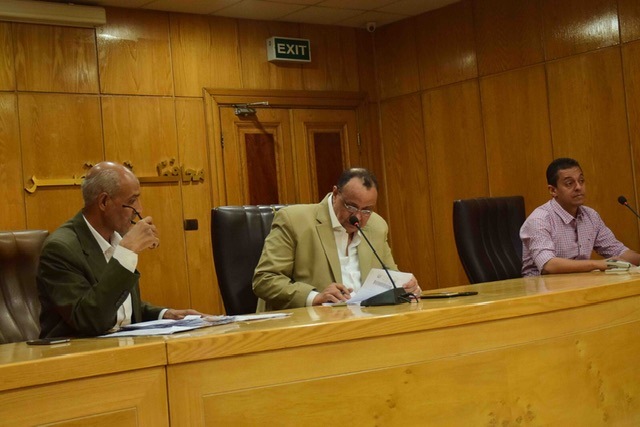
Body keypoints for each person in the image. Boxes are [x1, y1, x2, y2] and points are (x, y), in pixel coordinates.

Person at [37, 161, 201, 338]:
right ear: (104, 202)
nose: (139, 209)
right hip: (77, 351)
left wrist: (165, 314)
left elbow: (119, 308)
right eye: (132, 201)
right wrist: (127, 252)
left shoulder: (116, 238)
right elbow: (89, 319)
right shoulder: (61, 249)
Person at [253, 167, 421, 311]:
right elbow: (265, 279)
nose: (358, 217)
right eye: (351, 206)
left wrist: (406, 287)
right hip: (312, 324)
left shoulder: (377, 226)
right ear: (335, 194)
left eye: (366, 210)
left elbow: (390, 277)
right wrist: (315, 297)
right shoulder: (294, 221)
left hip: (366, 321)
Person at [520, 157, 640, 276]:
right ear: (553, 190)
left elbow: (618, 251)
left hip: (580, 283)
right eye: (569, 183)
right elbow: (548, 265)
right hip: (542, 286)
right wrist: (599, 264)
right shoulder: (539, 219)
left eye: (581, 181)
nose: (578, 187)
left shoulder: (591, 216)